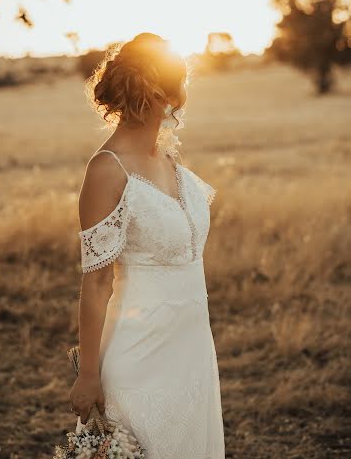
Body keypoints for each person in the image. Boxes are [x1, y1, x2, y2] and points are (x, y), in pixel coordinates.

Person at [69, 32, 225, 458]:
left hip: (192, 349)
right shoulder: (107, 170)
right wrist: (89, 374)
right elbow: (97, 281)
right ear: (163, 92)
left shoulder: (168, 159)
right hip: (139, 355)